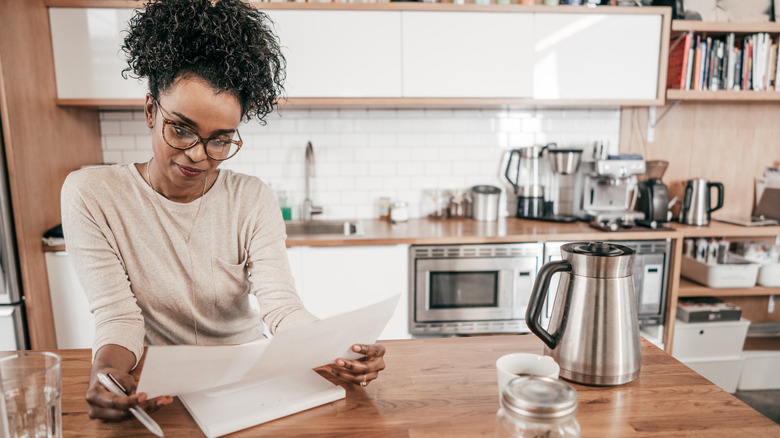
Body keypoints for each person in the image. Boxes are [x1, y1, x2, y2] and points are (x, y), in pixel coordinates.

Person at [60, 0, 386, 421]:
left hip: (250, 377)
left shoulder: (251, 199)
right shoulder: (92, 193)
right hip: (162, 389)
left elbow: (281, 308)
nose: (197, 155)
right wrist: (105, 373)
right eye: (180, 129)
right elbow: (118, 317)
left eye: (220, 140)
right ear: (149, 110)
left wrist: (339, 350)